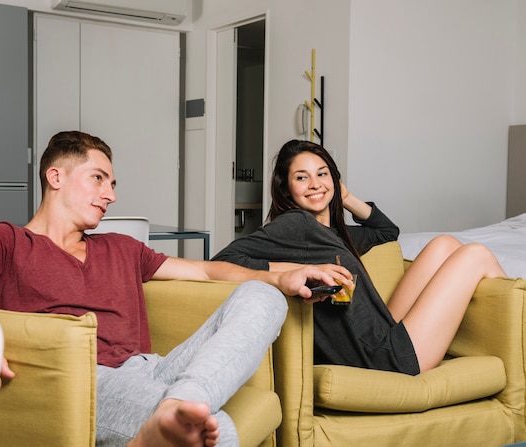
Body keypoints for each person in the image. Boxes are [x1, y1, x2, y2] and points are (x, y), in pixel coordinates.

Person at [0, 131, 341, 447]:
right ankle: (175, 415)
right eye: (98, 178)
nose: (110, 194)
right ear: (55, 177)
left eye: (113, 183)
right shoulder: (7, 242)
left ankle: (178, 405)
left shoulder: (122, 248)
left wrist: (279, 277)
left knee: (263, 298)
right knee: (218, 431)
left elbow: (207, 273)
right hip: (82, 379)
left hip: (153, 369)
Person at [213, 139, 506, 375]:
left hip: (381, 333)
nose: (315, 184)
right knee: (475, 254)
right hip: (384, 357)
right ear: (286, 189)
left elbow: (387, 231)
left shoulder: (334, 234)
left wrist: (346, 196)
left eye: (322, 174)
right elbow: (223, 260)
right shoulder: (296, 225)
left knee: (444, 244)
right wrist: (295, 268)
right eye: (302, 178)